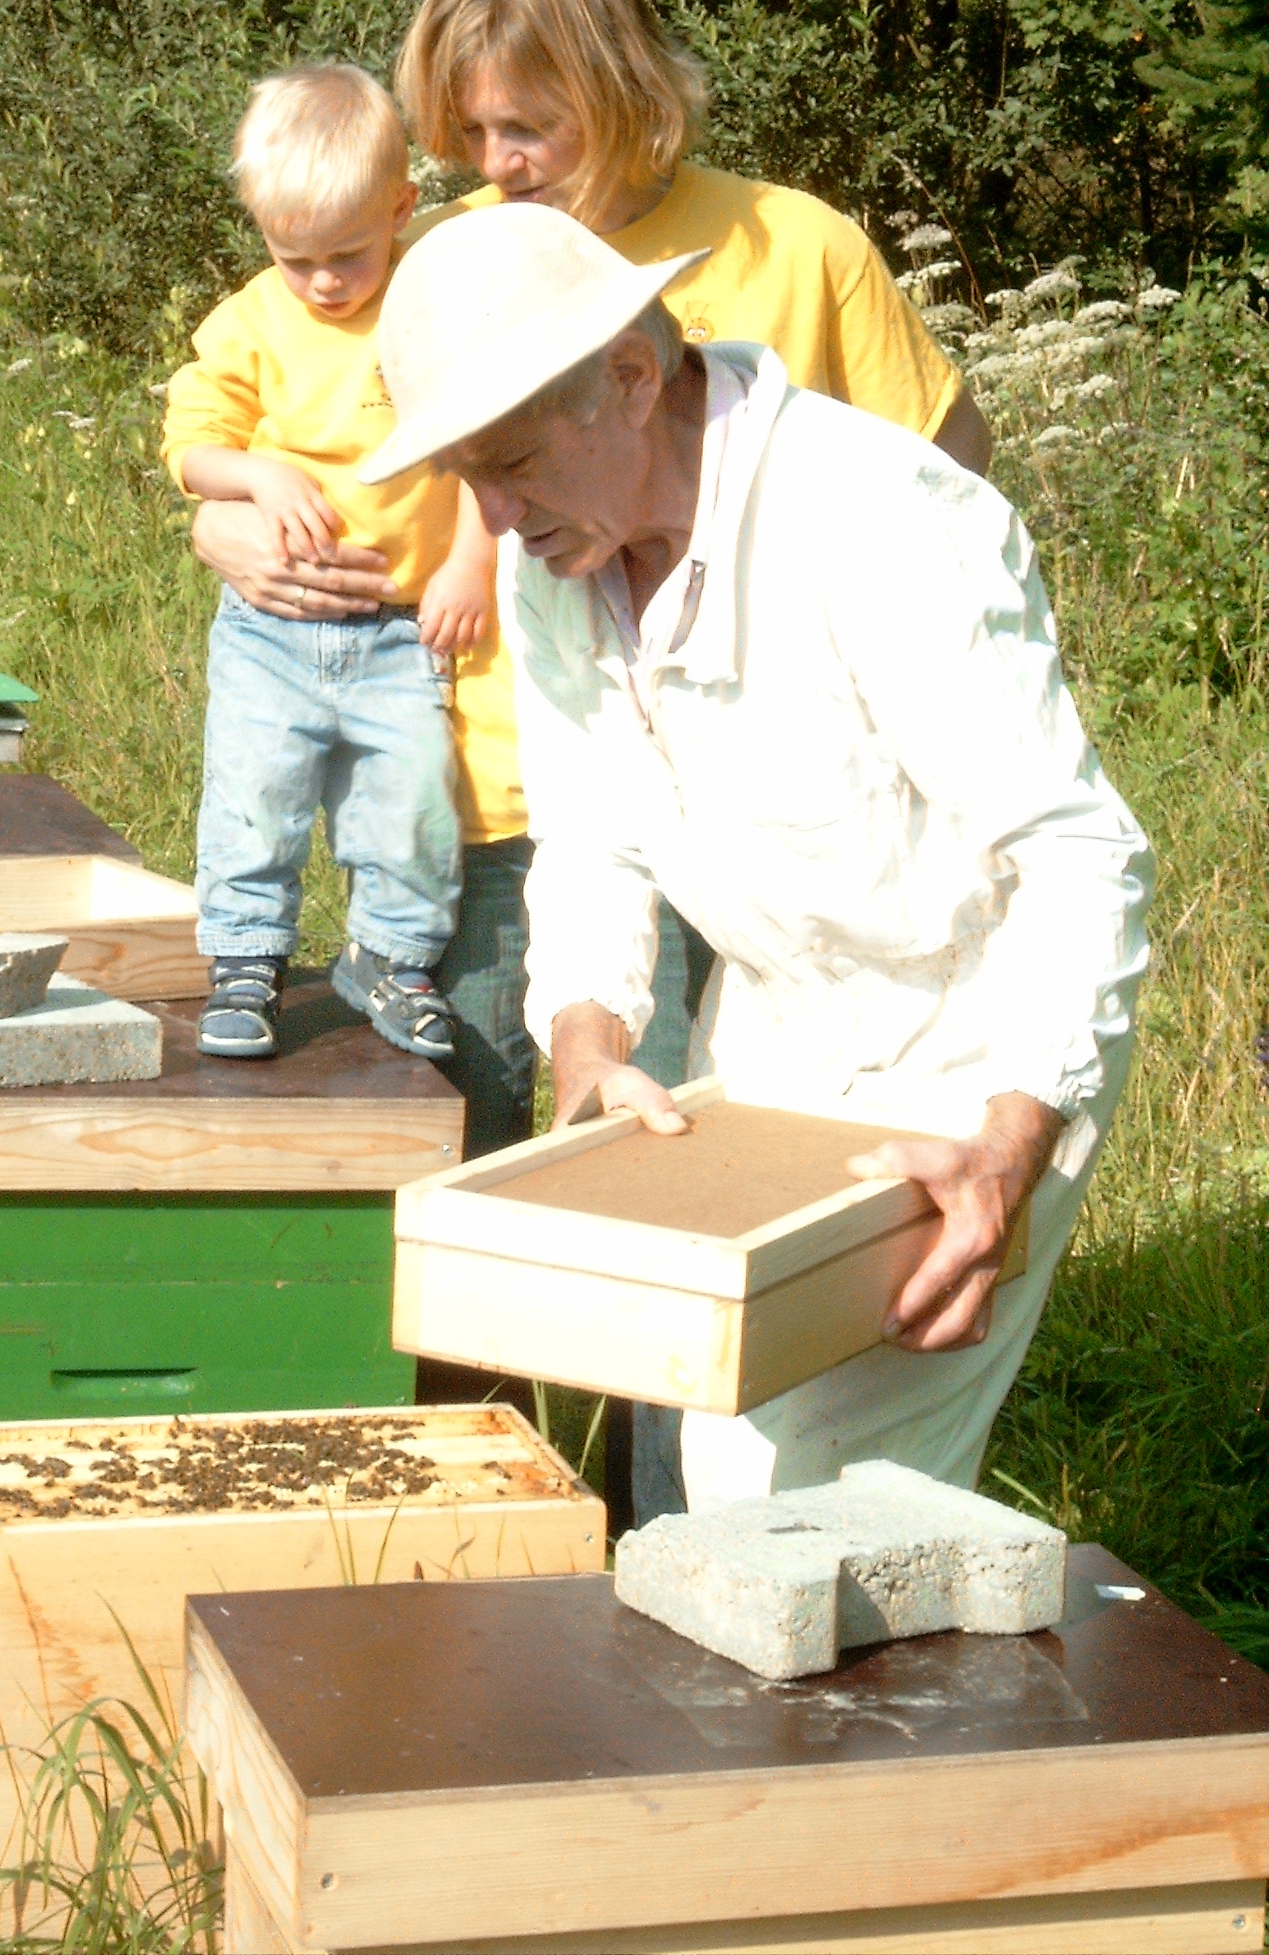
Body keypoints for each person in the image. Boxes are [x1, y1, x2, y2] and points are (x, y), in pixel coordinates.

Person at [361, 198, 1152, 1502]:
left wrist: (1009, 1153)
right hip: (776, 1026)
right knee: (729, 1457)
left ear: (629, 377)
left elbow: (1078, 859)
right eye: (464, 479)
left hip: (978, 1024)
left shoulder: (879, 518)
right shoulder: (551, 557)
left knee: (834, 1502)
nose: (491, 520)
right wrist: (589, 1056)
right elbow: (590, 837)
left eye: (509, 463)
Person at [190, 0, 996, 1159]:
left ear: (623, 89)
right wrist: (220, 524)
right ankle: (482, 1374)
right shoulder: (451, 263)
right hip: (509, 783)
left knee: (675, 1163)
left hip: (776, 813)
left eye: (527, 128)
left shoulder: (799, 247)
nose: (495, 164)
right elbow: (337, 444)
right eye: (469, 134)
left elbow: (950, 486)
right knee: (462, 1139)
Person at [160, 64, 494, 1061]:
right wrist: (257, 476)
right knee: (254, 796)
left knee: (413, 805)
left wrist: (470, 563)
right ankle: (245, 962)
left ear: (400, 208)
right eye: (294, 255)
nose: (323, 282)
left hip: (398, 629)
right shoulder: (254, 319)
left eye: (347, 253)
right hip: (270, 633)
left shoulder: (429, 303)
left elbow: (480, 440)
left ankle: (389, 960)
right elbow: (191, 448)